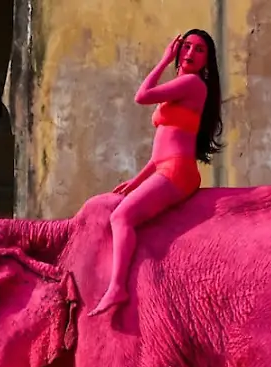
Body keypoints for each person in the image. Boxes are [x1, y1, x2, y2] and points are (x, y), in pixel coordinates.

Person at [89, 29, 225, 316]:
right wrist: (138, 180)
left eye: (199, 50)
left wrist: (164, 60)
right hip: (165, 167)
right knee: (123, 211)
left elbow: (142, 96)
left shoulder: (191, 83)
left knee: (121, 216)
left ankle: (117, 287)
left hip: (177, 171)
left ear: (207, 61)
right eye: (185, 47)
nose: (189, 53)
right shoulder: (183, 85)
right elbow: (162, 148)